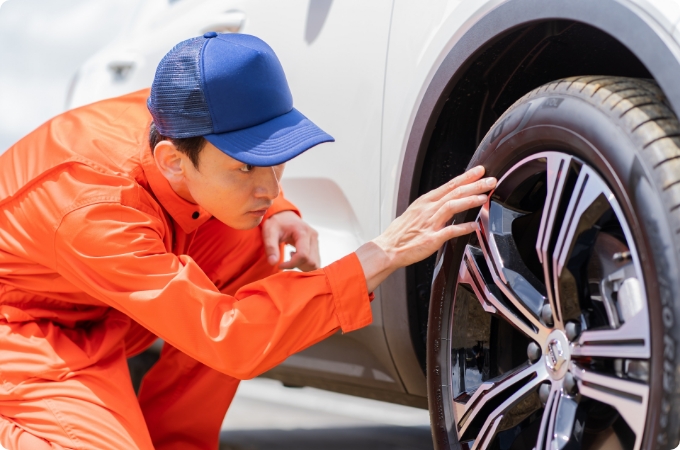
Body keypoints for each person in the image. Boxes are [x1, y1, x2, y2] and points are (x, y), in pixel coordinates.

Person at [0, 32, 495, 450]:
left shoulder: (183, 117)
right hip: (24, 329)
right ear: (172, 160)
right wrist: (377, 256)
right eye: (245, 168)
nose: (271, 185)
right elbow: (228, 335)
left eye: (277, 158)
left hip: (100, 300)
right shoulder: (93, 207)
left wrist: (277, 213)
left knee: (252, 239)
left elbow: (239, 163)